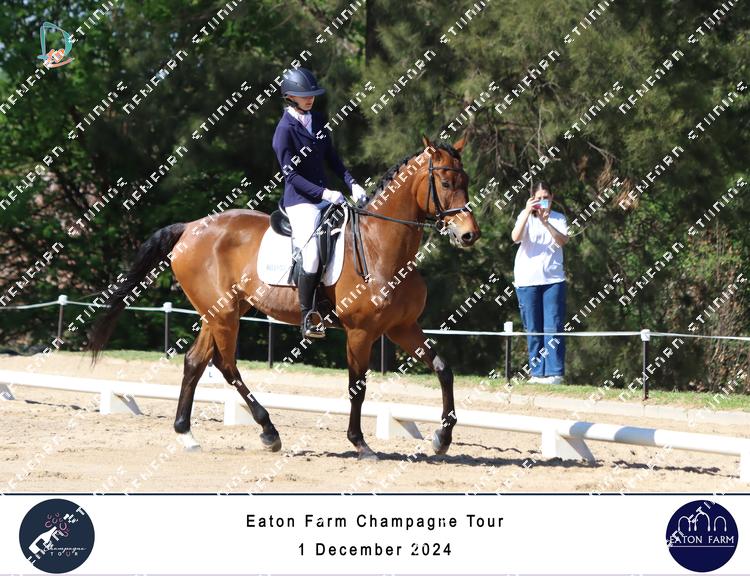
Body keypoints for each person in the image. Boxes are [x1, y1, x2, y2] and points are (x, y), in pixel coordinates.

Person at [272, 68, 367, 339]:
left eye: (313, 94)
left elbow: (333, 159)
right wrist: (325, 194)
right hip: (300, 202)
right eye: (305, 95)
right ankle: (308, 316)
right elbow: (291, 176)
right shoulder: (284, 131)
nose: (310, 99)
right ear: (290, 97)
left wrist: (352, 184)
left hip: (326, 198)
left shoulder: (318, 120)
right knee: (312, 253)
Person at [510, 181, 569, 384]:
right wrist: (527, 212)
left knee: (553, 326)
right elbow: (515, 237)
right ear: (532, 199)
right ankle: (537, 373)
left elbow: (562, 241)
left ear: (552, 197)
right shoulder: (525, 215)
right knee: (533, 329)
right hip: (527, 279)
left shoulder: (559, 218)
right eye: (539, 198)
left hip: (553, 280)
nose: (543, 201)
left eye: (546, 197)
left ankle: (555, 373)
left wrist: (546, 223)